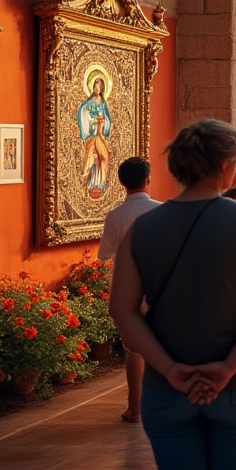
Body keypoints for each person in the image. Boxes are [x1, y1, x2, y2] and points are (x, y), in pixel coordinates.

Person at [110, 119, 236, 470]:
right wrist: (227, 368)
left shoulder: (140, 229)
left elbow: (123, 311)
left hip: (166, 385)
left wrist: (171, 369)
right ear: (223, 165)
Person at [97, 156, 162, 422]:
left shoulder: (115, 216)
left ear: (123, 183)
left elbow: (104, 254)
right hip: (163, 288)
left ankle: (135, 409)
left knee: (134, 351)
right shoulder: (163, 211)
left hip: (130, 291)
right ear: (148, 180)